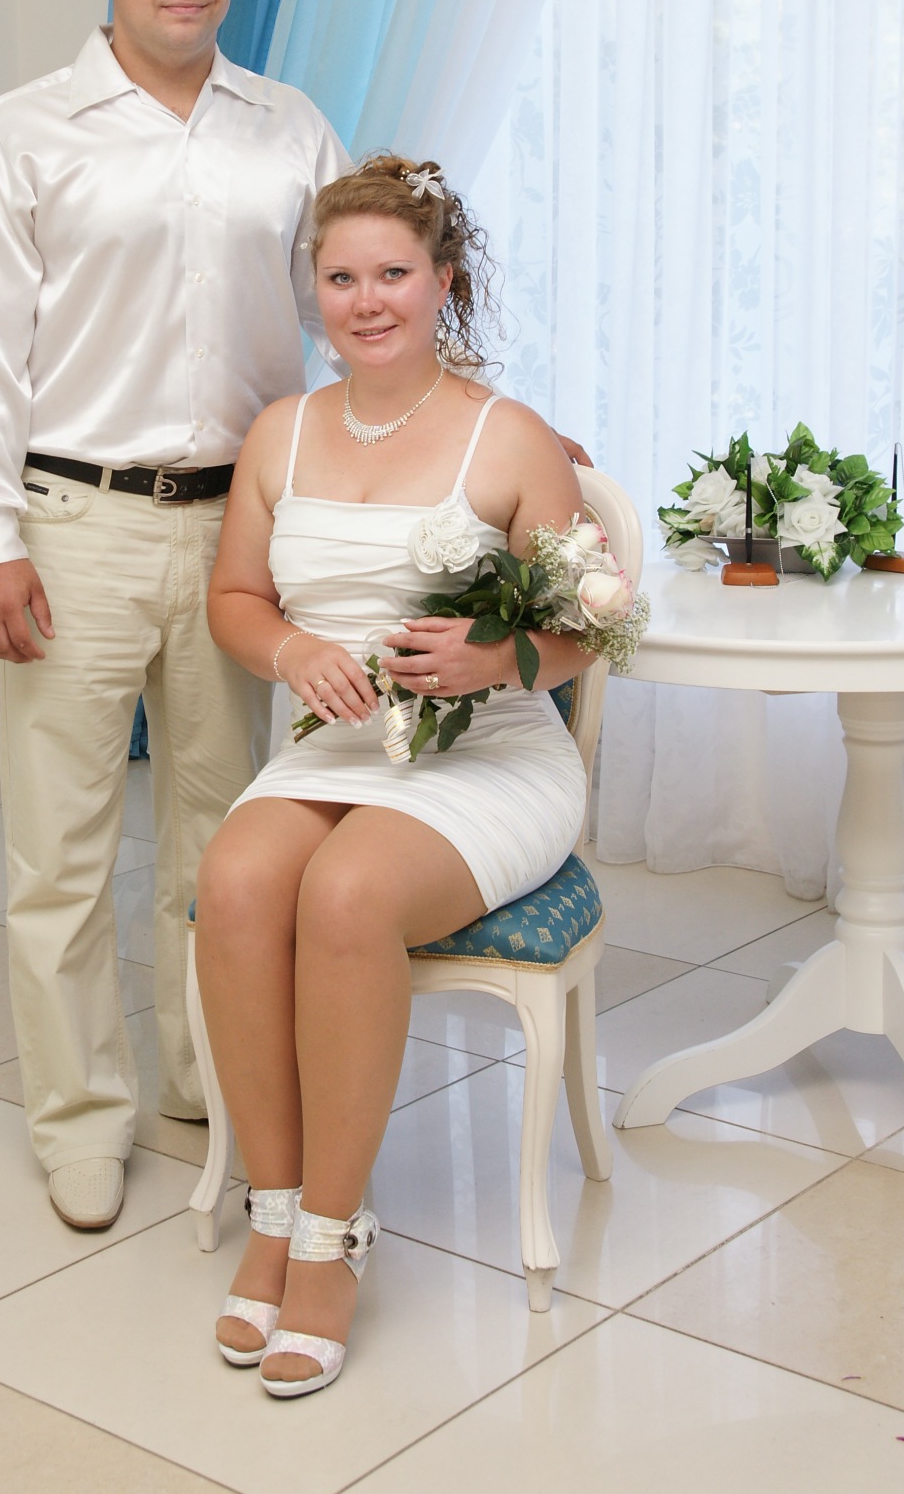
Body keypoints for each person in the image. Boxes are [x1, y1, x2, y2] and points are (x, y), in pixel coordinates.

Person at [0, 0, 351, 1230]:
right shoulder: (23, 133)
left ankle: (204, 1079)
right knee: (61, 849)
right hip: (71, 527)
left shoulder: (287, 128)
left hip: (240, 533)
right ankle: (79, 1120)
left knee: (224, 838)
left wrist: (478, 415)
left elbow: (355, 308)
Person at [195, 155, 592, 1397]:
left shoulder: (507, 434)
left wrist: (491, 655)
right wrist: (291, 650)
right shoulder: (280, 431)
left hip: (491, 753)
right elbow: (234, 597)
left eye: (392, 273)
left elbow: (583, 629)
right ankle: (272, 1209)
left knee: (348, 892)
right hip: (344, 741)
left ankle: (329, 1239)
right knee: (236, 878)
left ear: (442, 281)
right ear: (313, 290)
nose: (365, 300)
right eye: (339, 277)